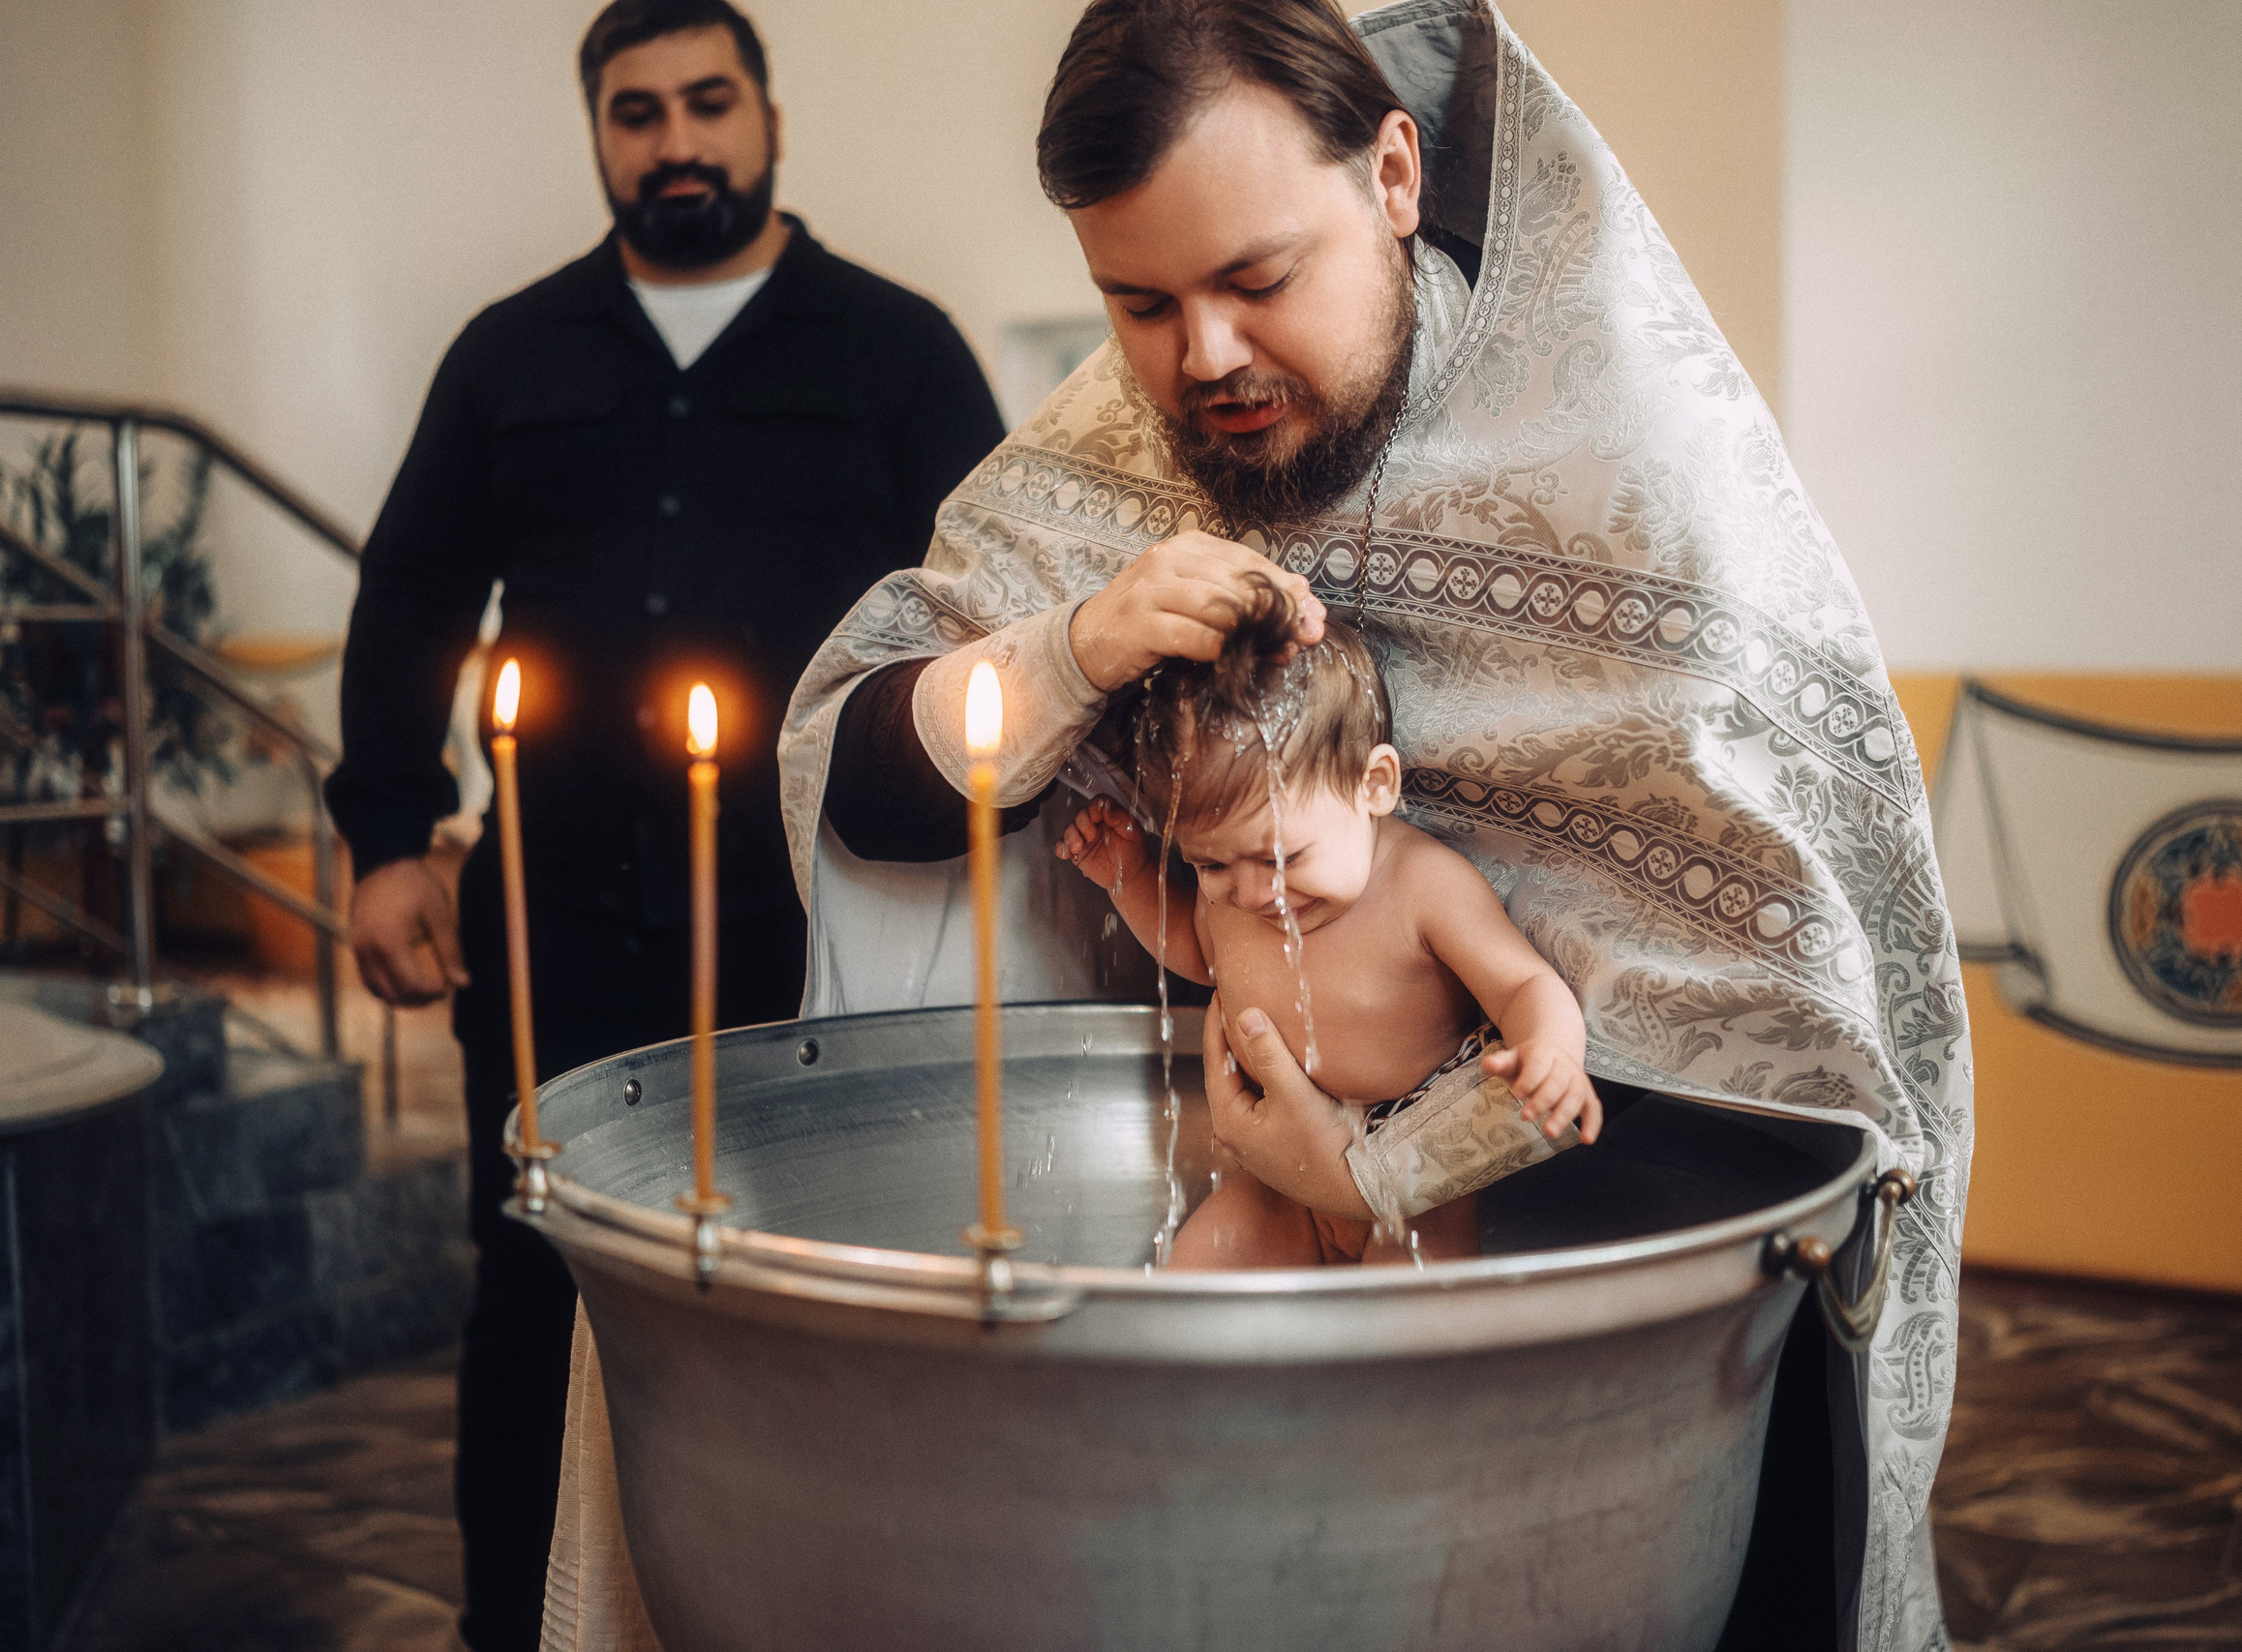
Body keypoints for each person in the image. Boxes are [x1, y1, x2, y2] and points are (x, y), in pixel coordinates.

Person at [766, 3, 1972, 1646]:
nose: (1202, 360)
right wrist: (1071, 651)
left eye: (1259, 281)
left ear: (1394, 171)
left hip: (1591, 1365)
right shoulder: (1099, 464)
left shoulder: (1644, 477)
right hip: (1236, 1324)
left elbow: (1778, 1056)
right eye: (1139, 304)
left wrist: (1374, 1166)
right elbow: (867, 775)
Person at [321, 1, 1004, 1645]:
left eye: (709, 102)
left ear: (768, 115)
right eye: (638, 113)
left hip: (813, 910)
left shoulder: (896, 348)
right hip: (553, 916)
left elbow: (1000, 596)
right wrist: (391, 834)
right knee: (530, 1285)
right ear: (600, 136)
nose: (677, 140)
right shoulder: (511, 351)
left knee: (807, 1291)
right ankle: (522, 1625)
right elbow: (413, 592)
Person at [1054, 585, 1599, 1266]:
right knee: (1189, 1286)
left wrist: (1551, 1050)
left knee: (1399, 1347)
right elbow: (1198, 953)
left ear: (1373, 785)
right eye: (1211, 863)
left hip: (1415, 1187)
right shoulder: (1233, 894)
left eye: (1282, 857)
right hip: (1277, 1185)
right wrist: (1131, 878)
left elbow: (1521, 982)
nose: (1254, 893)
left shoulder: (1420, 886)